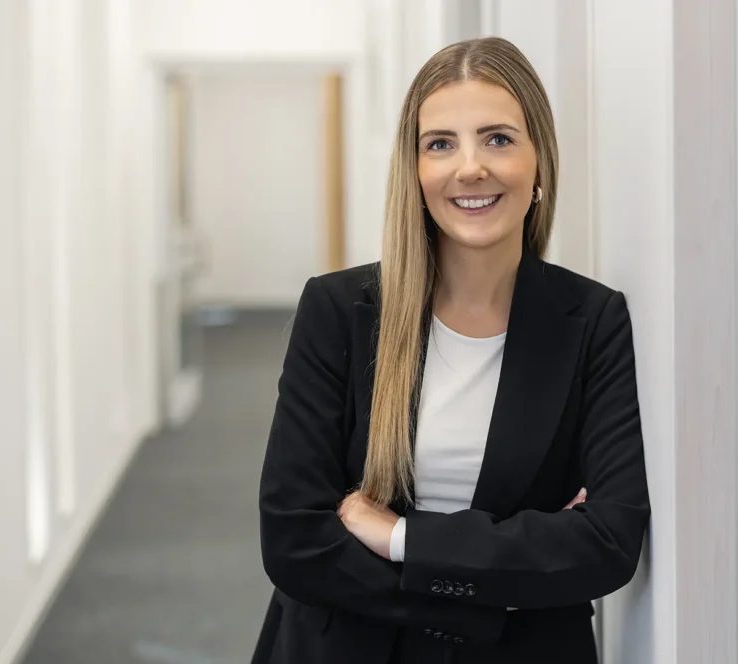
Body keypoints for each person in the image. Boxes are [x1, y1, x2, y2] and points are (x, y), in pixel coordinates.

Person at [251, 37, 650, 664]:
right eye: (440, 143)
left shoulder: (592, 321)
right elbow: (295, 540)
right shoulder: (338, 311)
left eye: (498, 139)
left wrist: (401, 537)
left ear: (539, 160)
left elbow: (607, 541)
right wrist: (495, 591)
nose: (470, 167)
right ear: (414, 170)